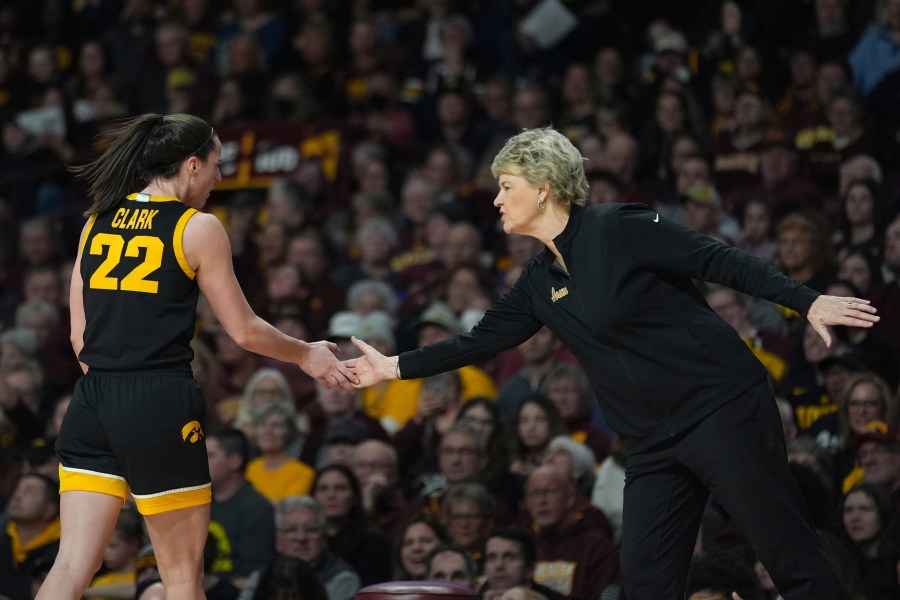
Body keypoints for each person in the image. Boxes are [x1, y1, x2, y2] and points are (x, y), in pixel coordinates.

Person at [345, 126, 879, 600]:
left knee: (787, 556)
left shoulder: (617, 226)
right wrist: (392, 367)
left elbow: (716, 259)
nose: (497, 201)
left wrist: (805, 300)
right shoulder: (537, 282)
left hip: (720, 408)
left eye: (506, 186)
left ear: (543, 186)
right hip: (649, 442)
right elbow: (478, 342)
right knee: (645, 581)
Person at [39, 113, 356, 600]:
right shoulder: (197, 227)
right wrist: (306, 355)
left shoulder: (95, 222)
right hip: (158, 399)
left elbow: (80, 337)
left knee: (69, 570)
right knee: (183, 577)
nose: (219, 177)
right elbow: (244, 331)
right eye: (216, 166)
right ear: (191, 166)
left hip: (93, 398)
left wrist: (113, 388)